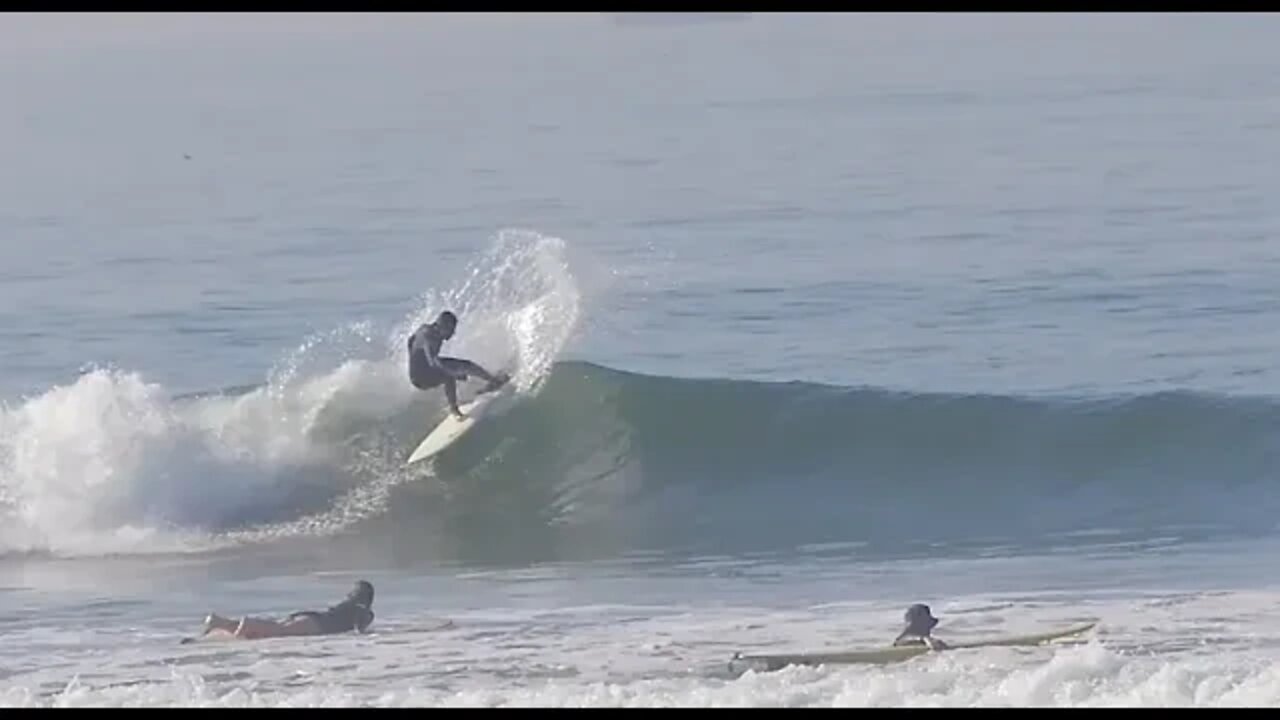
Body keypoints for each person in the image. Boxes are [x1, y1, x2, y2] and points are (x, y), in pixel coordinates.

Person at [192, 580, 376, 642]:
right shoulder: (363, 610)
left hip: (312, 618)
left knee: (272, 629)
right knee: (278, 631)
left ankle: (219, 622)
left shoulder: (348, 606)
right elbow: (359, 629)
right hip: (318, 625)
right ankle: (246, 623)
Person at [407, 310, 508, 418]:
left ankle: (493, 381)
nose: (452, 333)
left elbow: (410, 340)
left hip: (423, 369)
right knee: (449, 377)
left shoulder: (425, 328)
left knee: (466, 365)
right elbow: (433, 363)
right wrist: (454, 374)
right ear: (443, 326)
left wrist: (413, 358)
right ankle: (454, 410)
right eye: (451, 330)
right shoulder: (431, 338)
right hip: (421, 378)